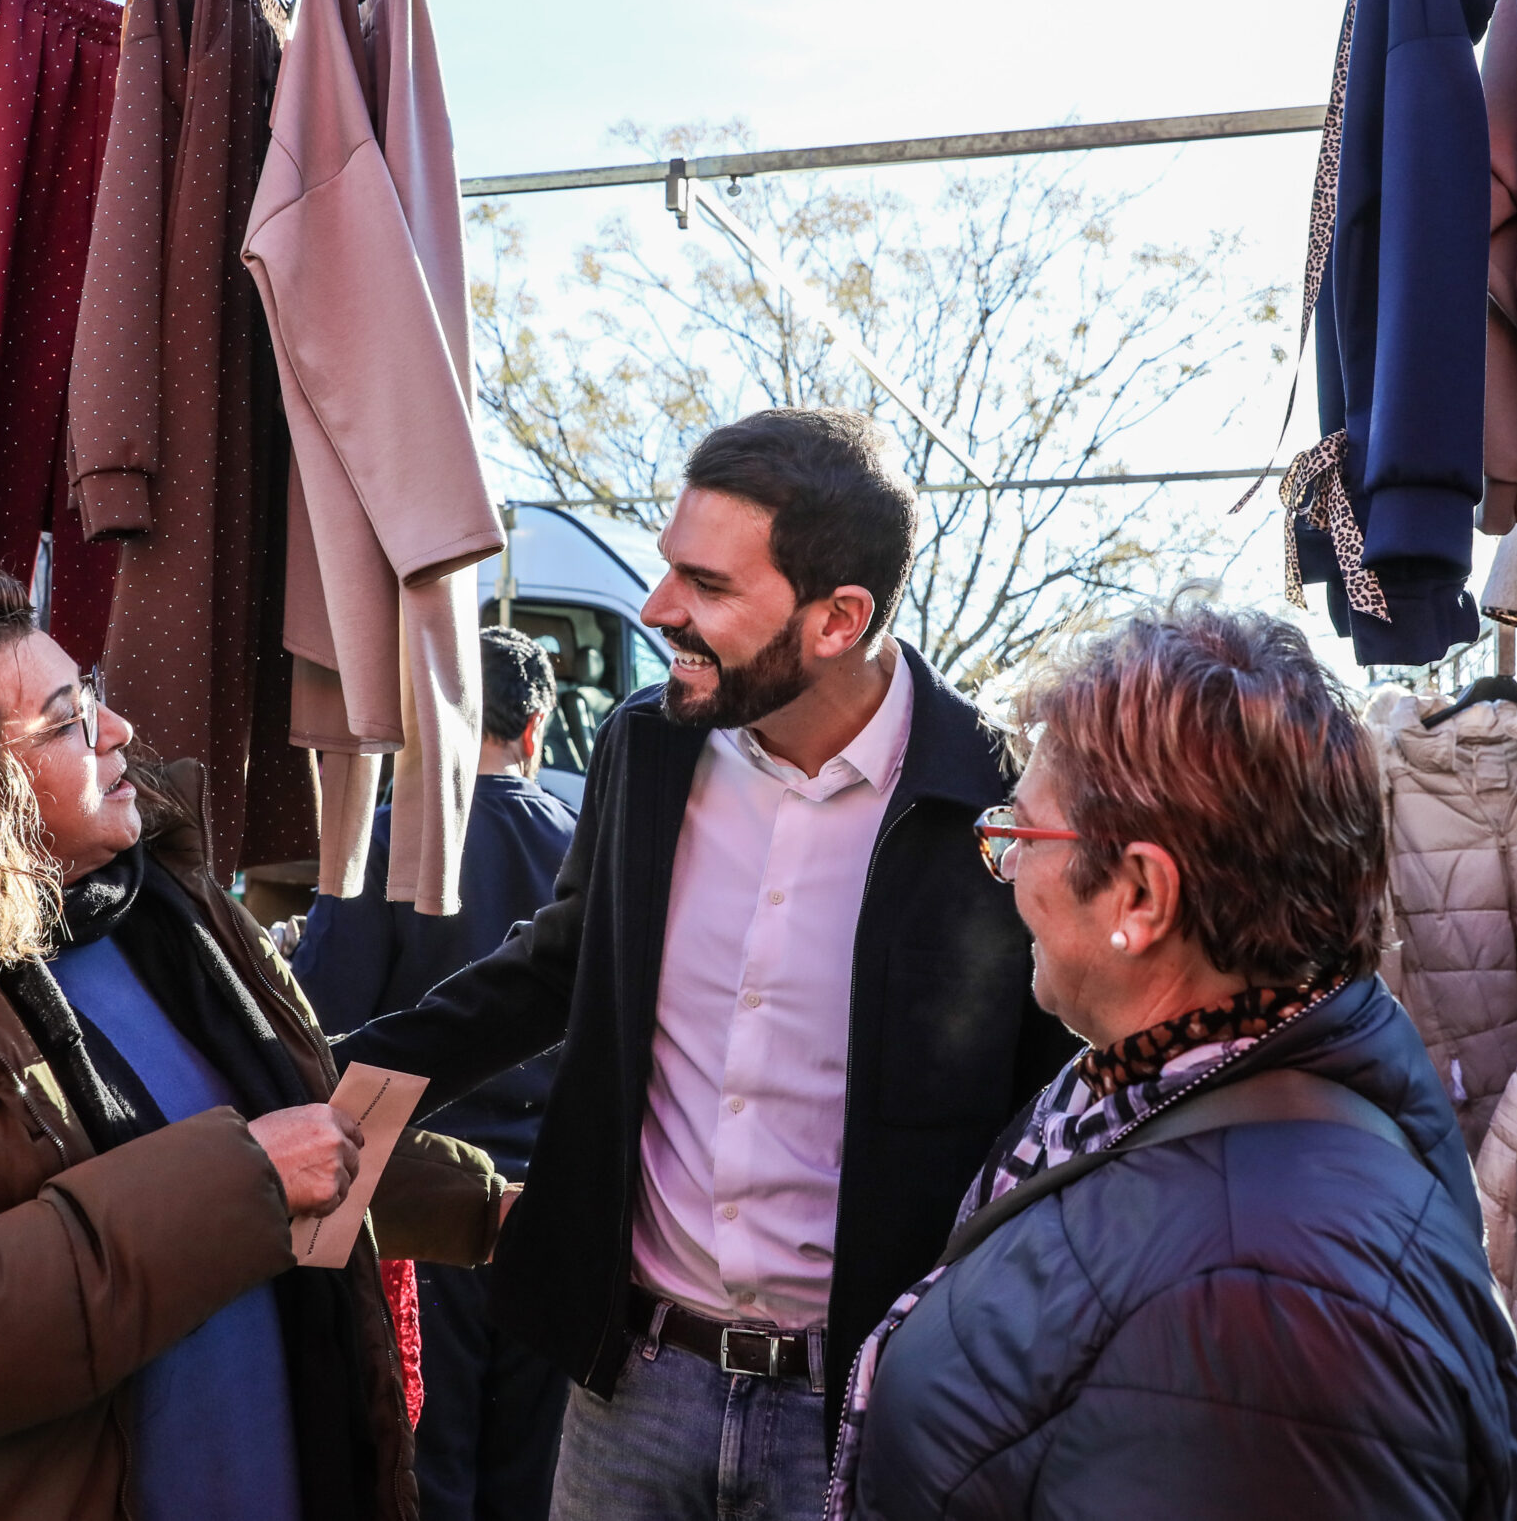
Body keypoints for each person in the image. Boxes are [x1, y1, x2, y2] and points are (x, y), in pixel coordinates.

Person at [336, 410, 1077, 1521]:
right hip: (632, 1389)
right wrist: (315, 1081)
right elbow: (551, 971)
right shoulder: (646, 746)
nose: (657, 607)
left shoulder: (994, 798)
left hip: (867, 1411)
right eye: (668, 566)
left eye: (706, 584)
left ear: (839, 619)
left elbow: (1047, 1097)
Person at [0, 570, 509, 1521]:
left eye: (94, 696)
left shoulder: (150, 907)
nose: (116, 731)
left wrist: (490, 1210)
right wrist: (246, 1179)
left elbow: (294, 1137)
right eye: (67, 720)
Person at [828, 599, 1517, 1519]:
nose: (1003, 866)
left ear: (1141, 895)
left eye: (1023, 835)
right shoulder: (1169, 1095)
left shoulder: (1263, 1303)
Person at [296, 627, 581, 1521]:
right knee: (532, 1485)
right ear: (534, 728)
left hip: (415, 1208)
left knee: (424, 1475)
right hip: (550, 1213)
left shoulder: (382, 843)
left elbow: (317, 1026)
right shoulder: (588, 854)